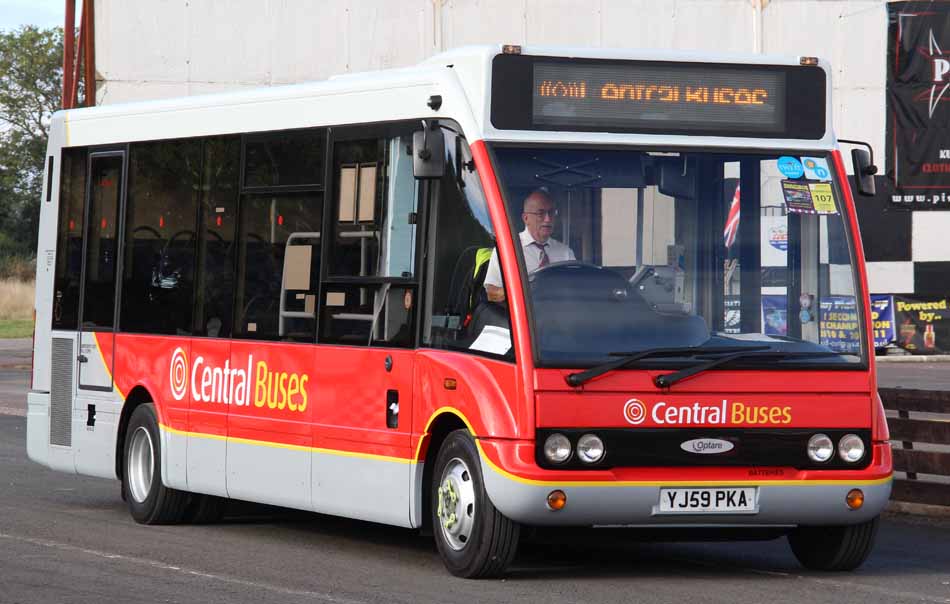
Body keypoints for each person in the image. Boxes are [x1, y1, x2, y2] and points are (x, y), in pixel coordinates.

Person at [483, 189, 575, 303]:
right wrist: (526, 291)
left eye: (551, 213)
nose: (548, 219)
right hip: (523, 318)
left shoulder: (566, 253)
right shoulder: (508, 249)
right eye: (541, 213)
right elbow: (491, 293)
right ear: (525, 218)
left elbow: (575, 291)